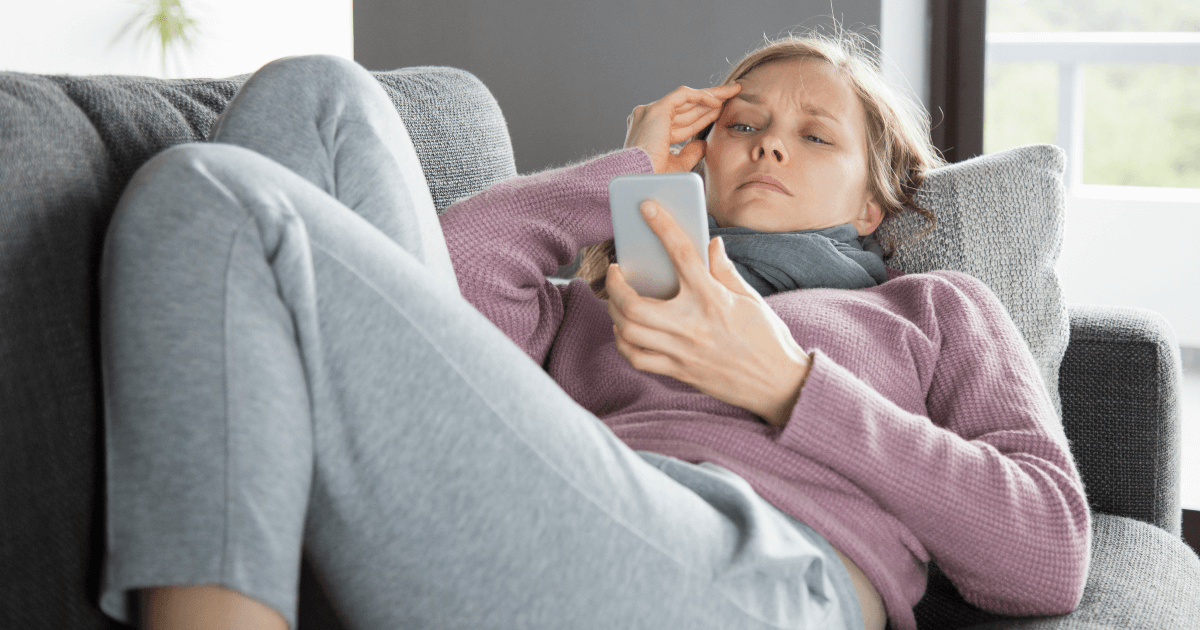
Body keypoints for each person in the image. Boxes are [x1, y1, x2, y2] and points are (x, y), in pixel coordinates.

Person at [98, 31, 1090, 630]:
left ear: (874, 206)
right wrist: (624, 180)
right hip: (540, 521)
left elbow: (1045, 553)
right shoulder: (598, 303)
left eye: (816, 134)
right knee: (316, 92)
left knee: (205, 193)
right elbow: (426, 308)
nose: (770, 139)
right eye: (741, 124)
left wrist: (789, 385)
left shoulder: (936, 311)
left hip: (759, 580)